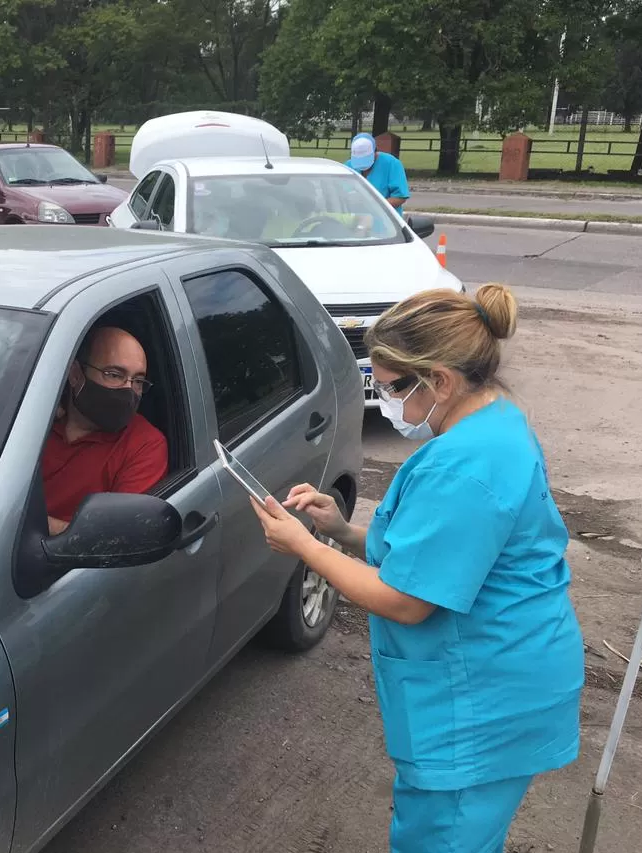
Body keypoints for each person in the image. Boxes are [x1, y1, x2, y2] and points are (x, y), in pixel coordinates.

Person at [249, 283, 583, 853]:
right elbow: (441, 551)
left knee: (444, 837)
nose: (385, 398)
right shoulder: (493, 424)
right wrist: (341, 531)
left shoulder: (463, 467)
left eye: (392, 386)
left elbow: (407, 600)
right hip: (506, 674)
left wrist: (305, 548)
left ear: (442, 380)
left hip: (480, 701)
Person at [41, 326, 168, 535]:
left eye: (137, 381)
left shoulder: (144, 445)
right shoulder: (35, 418)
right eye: (114, 375)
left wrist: (29, 527)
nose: (128, 390)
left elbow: (115, 537)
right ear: (75, 374)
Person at [347, 132, 410, 211]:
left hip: (385, 219)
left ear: (375, 152)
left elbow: (400, 197)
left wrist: (374, 206)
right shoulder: (348, 166)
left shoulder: (391, 164)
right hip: (356, 218)